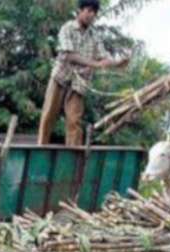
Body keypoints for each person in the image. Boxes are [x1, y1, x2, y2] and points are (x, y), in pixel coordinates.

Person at [37, 0, 129, 146]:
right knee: (49, 115)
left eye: (94, 12)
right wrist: (96, 64)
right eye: (88, 10)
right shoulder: (67, 28)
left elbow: (104, 57)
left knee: (74, 120)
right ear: (79, 11)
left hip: (79, 83)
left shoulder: (94, 35)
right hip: (61, 77)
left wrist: (118, 63)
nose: (90, 15)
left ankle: (73, 158)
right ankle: (40, 148)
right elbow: (69, 55)